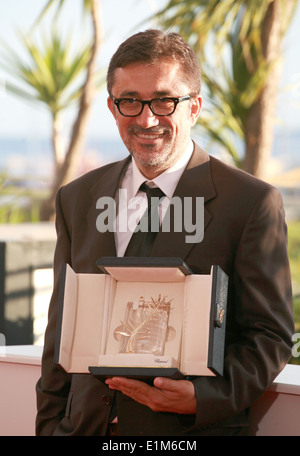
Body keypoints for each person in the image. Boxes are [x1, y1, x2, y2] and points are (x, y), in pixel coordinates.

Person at [36, 29, 294, 436]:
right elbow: (60, 331)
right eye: (130, 102)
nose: (146, 118)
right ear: (111, 106)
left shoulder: (250, 203)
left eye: (163, 100)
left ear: (194, 107)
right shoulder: (77, 199)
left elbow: (270, 335)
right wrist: (49, 427)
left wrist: (202, 398)